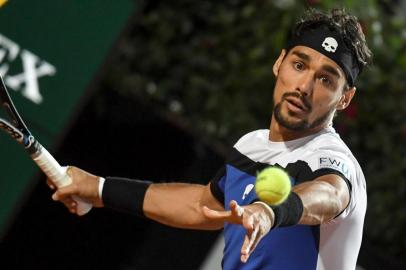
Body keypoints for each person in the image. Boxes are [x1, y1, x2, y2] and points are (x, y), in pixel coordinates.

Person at [50, 8, 372, 270]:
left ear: (344, 98)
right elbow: (201, 205)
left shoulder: (333, 161)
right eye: (299, 65)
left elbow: (329, 194)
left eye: (326, 79)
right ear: (279, 62)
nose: (304, 86)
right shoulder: (253, 145)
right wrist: (101, 189)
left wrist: (270, 211)